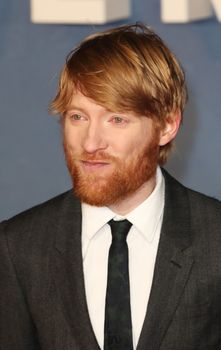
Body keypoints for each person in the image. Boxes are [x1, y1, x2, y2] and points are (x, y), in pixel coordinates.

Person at [0, 23, 221, 350]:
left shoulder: (215, 238)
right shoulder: (19, 248)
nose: (90, 143)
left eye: (116, 119)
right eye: (78, 117)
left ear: (167, 125)